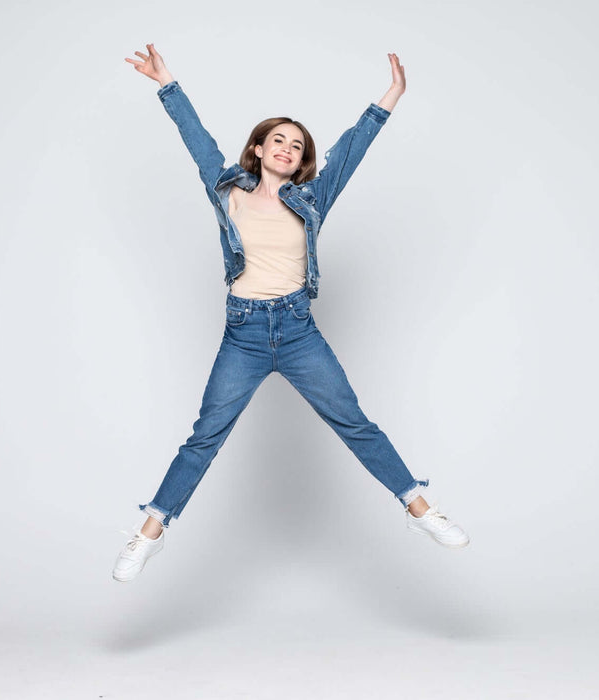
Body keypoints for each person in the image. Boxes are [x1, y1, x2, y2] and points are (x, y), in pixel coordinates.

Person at [113, 43, 469, 583]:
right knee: (206, 435)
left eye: (296, 145)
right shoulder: (227, 187)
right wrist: (167, 84)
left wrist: (390, 97)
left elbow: (353, 148)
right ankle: (148, 535)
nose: (285, 147)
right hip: (244, 333)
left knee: (353, 422)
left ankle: (421, 511)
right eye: (276, 139)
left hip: (298, 330)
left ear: (301, 160)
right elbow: (197, 139)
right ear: (257, 148)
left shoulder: (312, 199)